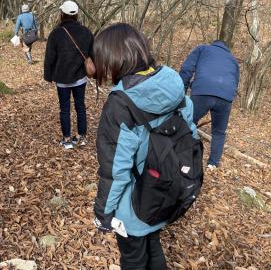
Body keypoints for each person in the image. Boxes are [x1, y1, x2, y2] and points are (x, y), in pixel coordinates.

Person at [92, 23, 199, 270]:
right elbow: (189, 136)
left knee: (133, 258)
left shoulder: (121, 104)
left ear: (112, 58)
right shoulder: (172, 85)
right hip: (166, 190)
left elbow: (115, 169)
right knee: (153, 244)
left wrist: (103, 214)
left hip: (135, 204)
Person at [179, 40, 239, 169]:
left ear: (213, 44)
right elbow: (236, 80)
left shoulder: (203, 49)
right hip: (226, 97)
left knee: (187, 122)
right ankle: (213, 164)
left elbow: (187, 69)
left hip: (203, 91)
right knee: (219, 132)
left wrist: (181, 91)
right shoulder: (233, 60)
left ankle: (182, 154)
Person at [43, 0, 94, 149]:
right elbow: (93, 54)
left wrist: (48, 75)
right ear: (76, 15)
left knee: (64, 108)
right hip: (80, 78)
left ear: (62, 14)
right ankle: (81, 137)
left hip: (62, 78)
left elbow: (49, 57)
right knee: (80, 106)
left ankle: (66, 140)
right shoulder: (86, 32)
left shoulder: (56, 33)